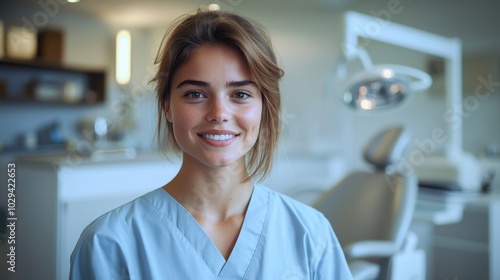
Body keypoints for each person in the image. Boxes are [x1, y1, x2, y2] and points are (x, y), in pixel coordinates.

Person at [70, 9, 352, 279]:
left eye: (240, 94)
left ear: (265, 107)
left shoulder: (311, 235)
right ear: (167, 106)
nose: (219, 113)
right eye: (195, 93)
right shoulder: (109, 243)